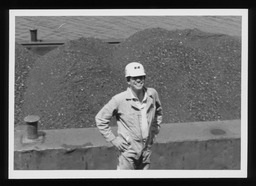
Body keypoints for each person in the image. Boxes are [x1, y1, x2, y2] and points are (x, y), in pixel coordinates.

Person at [95, 62, 163, 170]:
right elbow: (100, 119)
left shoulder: (152, 94)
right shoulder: (119, 100)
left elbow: (158, 112)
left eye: (140, 77)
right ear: (128, 80)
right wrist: (114, 140)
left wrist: (153, 133)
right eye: (134, 78)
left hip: (146, 152)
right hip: (128, 153)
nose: (138, 80)